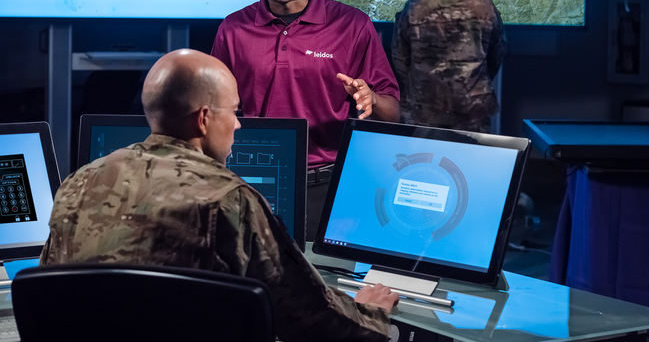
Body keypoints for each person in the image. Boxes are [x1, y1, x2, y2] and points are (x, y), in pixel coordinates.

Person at [40, 49, 399, 342]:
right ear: (205, 119)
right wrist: (370, 313)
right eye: (235, 111)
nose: (239, 124)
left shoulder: (78, 183)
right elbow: (309, 319)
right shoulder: (230, 199)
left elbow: (52, 292)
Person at [210, 0, 400, 240]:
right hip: (253, 182)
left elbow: (393, 113)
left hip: (330, 186)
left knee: (330, 284)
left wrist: (371, 100)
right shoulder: (232, 30)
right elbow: (213, 111)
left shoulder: (352, 25)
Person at [391, 0, 507, 133]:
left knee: (422, 161)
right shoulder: (484, 6)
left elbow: (400, 57)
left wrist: (421, 84)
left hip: (424, 108)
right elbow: (497, 54)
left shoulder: (414, 6)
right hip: (472, 109)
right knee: (470, 162)